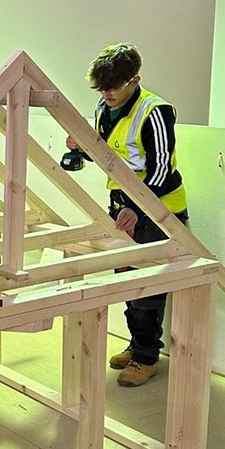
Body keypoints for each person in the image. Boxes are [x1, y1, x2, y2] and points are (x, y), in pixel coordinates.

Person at [66, 43, 188, 387]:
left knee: (148, 284)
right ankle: (137, 345)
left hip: (159, 209)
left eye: (113, 88)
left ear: (134, 80)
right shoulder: (104, 107)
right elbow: (108, 156)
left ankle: (146, 357)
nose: (106, 95)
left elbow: (161, 169)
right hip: (124, 205)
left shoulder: (155, 111)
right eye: (101, 88)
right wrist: (82, 150)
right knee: (127, 277)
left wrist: (138, 207)